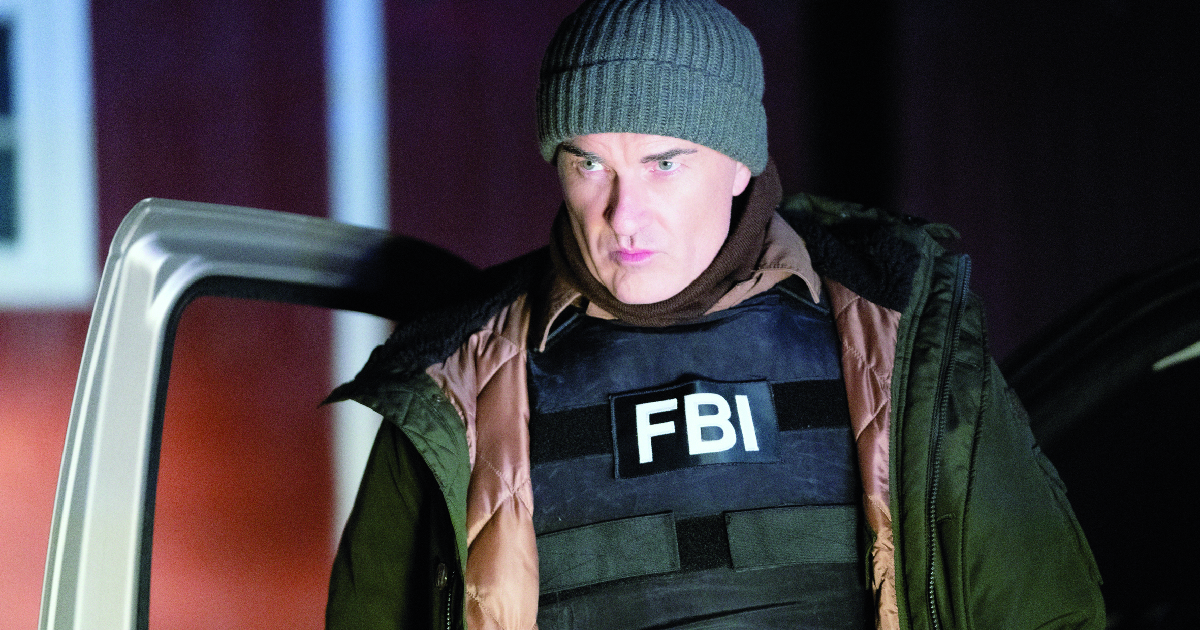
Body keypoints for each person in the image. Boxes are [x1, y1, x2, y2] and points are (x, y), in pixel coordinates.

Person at [325, 1, 1104, 628]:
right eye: (590, 164)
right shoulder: (452, 380)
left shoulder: (904, 341)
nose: (623, 214)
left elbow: (1043, 612)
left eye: (664, 164)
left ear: (739, 164)